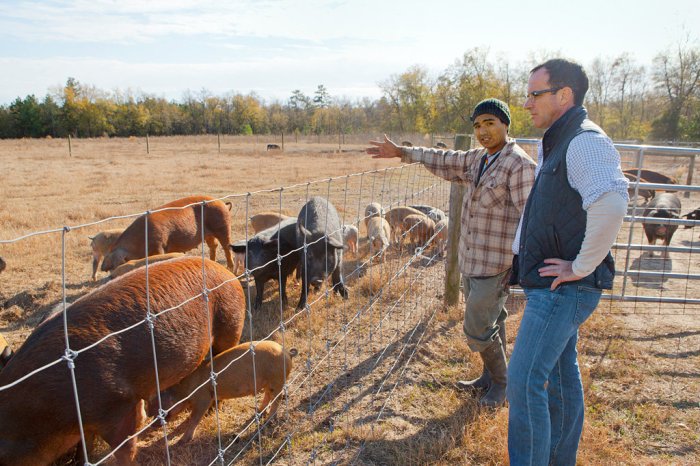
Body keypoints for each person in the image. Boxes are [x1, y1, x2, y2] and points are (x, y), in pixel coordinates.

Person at [367, 99, 536, 407]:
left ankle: (503, 383)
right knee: (492, 320)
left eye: (490, 123)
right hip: (472, 259)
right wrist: (404, 152)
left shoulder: (519, 165)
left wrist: (521, 261)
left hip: (497, 264)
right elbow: (444, 158)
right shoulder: (478, 158)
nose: (483, 131)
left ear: (505, 125)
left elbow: (532, 218)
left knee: (477, 326)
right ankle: (489, 376)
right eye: (477, 125)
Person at [507, 59, 628, 465]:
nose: (527, 104)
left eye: (534, 94)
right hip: (559, 287)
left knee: (524, 382)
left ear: (564, 96)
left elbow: (611, 204)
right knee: (558, 380)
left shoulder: (584, 141)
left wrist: (580, 266)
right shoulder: (559, 140)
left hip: (563, 289)